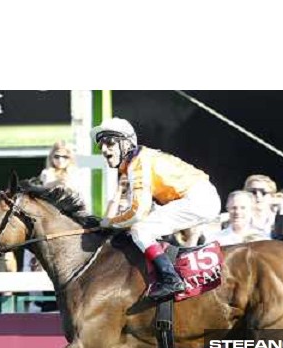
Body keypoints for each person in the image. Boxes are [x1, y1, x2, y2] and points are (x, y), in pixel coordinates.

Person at [91, 117, 220, 300]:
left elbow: (137, 212)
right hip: (199, 197)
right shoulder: (136, 162)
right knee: (141, 230)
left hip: (199, 198)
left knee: (140, 229)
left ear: (127, 143)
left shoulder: (138, 164)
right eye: (100, 145)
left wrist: (109, 222)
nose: (104, 149)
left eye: (109, 142)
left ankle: (171, 279)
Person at [242, 174, 278, 239]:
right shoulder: (233, 220)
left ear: (272, 196)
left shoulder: (280, 220)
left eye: (263, 192)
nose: (258, 196)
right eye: (253, 192)